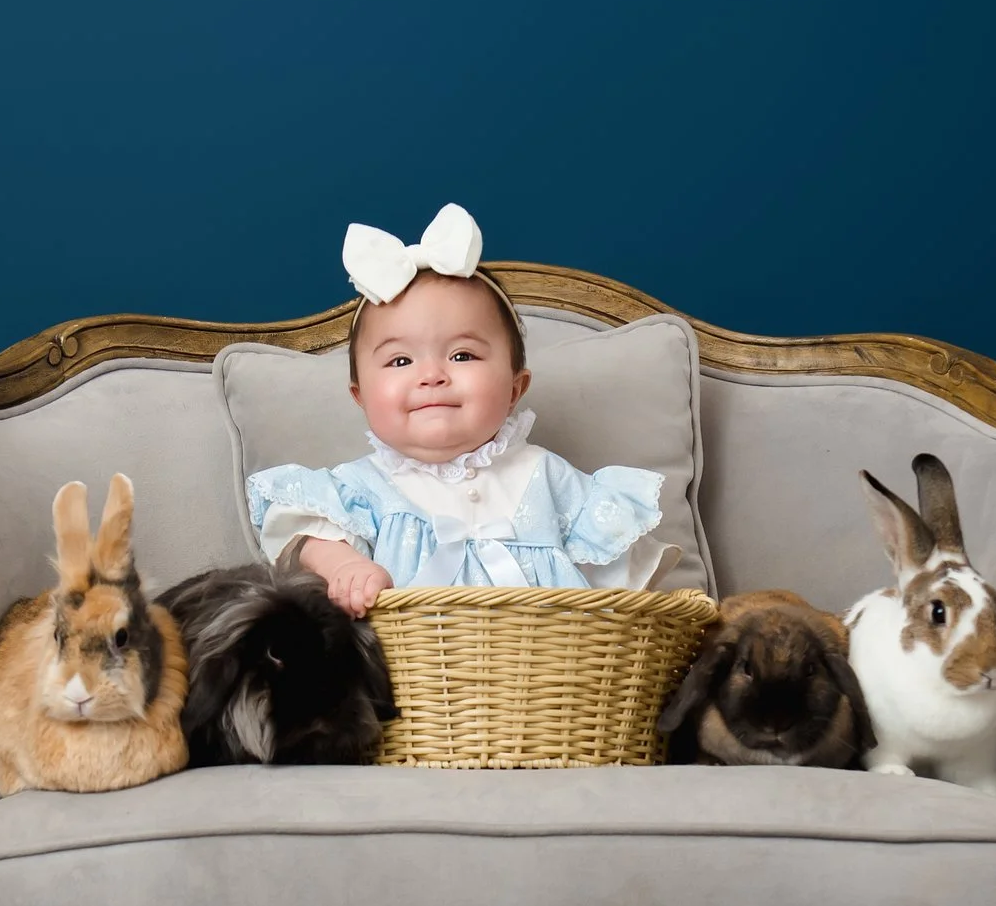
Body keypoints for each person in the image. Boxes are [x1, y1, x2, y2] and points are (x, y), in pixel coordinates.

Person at [247, 203, 677, 618]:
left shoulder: (546, 476)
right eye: (400, 361)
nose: (431, 375)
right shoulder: (360, 488)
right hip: (410, 678)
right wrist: (345, 567)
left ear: (514, 389)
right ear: (360, 397)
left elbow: (623, 578)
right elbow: (307, 532)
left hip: (547, 673)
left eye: (463, 356)